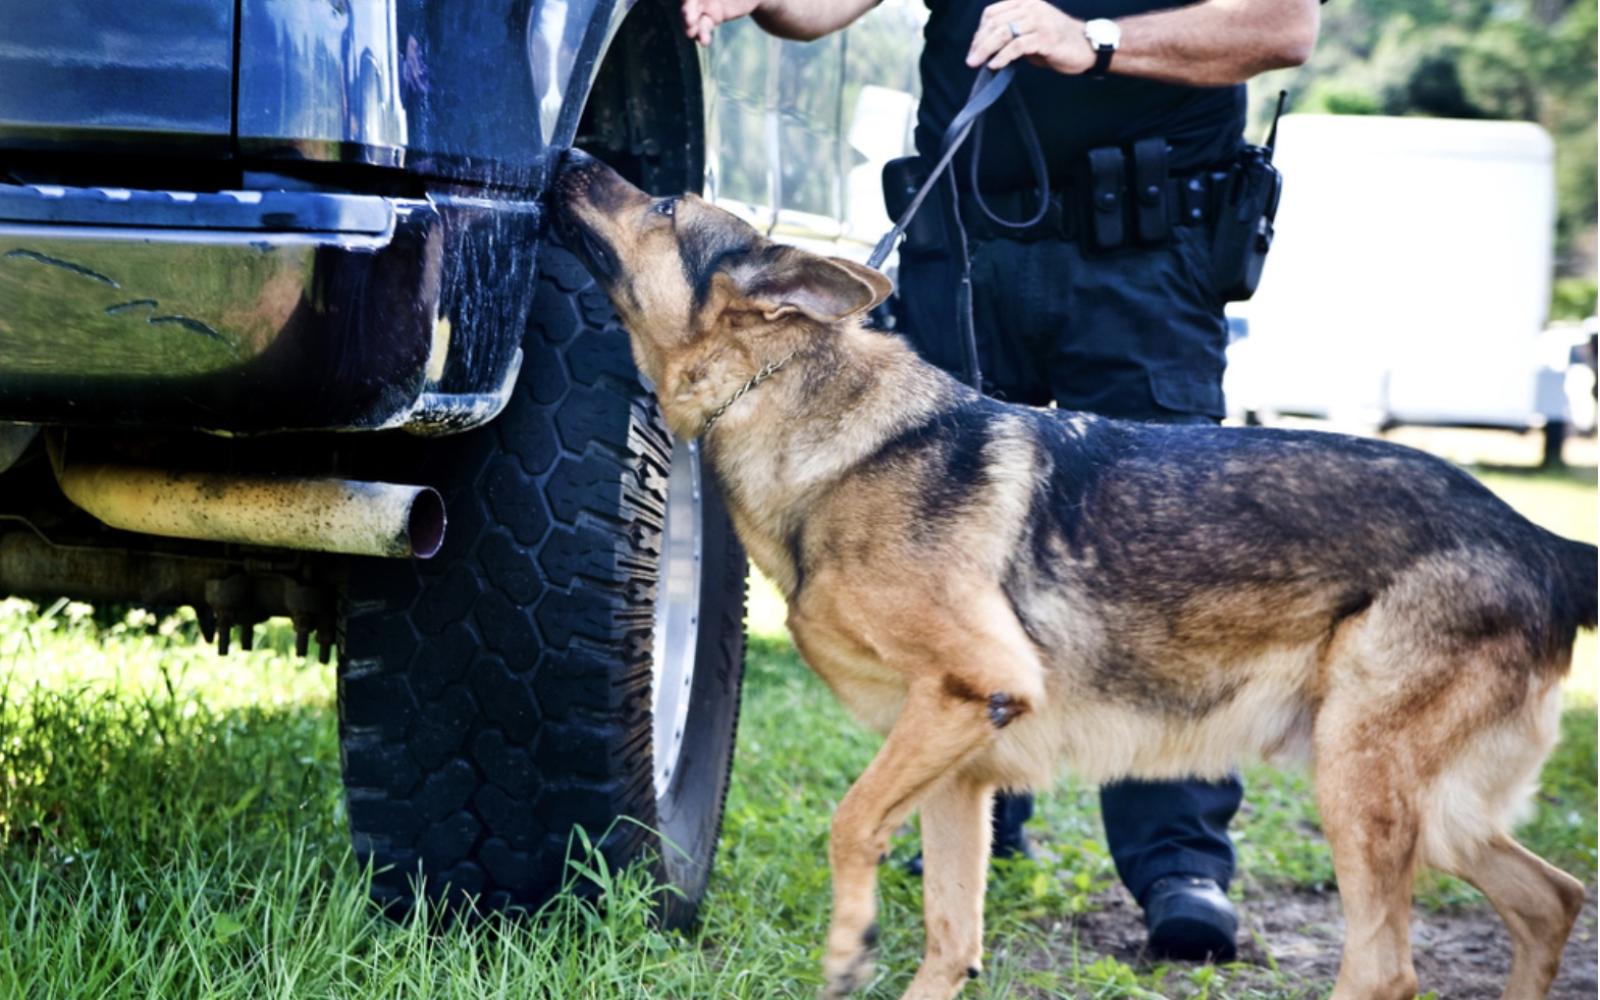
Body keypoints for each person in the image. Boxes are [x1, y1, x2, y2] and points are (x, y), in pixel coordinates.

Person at [681, 0, 1320, 962]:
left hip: (1144, 253)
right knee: (946, 574)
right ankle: (974, 831)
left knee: (1155, 570)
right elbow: (815, 12)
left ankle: (1179, 863)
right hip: (965, 246)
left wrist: (1096, 41)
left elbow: (1283, 28)